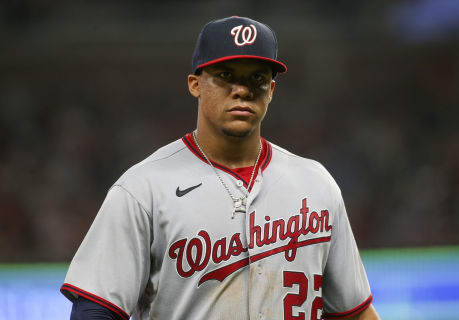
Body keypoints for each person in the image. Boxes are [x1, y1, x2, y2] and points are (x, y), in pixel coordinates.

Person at [61, 16, 380, 320]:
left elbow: (355, 312)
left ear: (271, 90)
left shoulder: (316, 184)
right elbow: (95, 309)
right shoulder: (143, 188)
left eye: (257, 77)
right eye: (226, 75)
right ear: (195, 84)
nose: (242, 90)